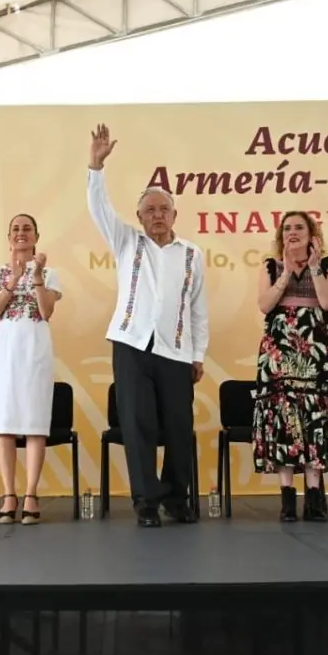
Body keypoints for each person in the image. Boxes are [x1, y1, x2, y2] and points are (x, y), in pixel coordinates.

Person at [87, 123, 208, 527]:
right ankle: (145, 503)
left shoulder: (192, 254)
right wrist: (96, 168)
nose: (157, 215)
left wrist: (198, 354)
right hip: (131, 346)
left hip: (176, 350)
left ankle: (177, 499)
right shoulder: (126, 242)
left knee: (178, 427)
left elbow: (197, 309)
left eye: (164, 209)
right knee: (137, 426)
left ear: (175, 215)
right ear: (139, 216)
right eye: (149, 210)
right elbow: (99, 208)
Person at [253, 211, 328, 522]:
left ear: (311, 233)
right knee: (283, 416)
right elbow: (265, 305)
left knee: (315, 416)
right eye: (287, 228)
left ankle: (315, 497)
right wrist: (285, 272)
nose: (293, 232)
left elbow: (326, 301)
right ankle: (287, 498)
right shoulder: (269, 265)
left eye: (299, 228)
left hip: (315, 346)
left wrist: (314, 266)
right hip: (279, 346)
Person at [0, 214, 62, 525]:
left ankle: (31, 493)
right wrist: (13, 282)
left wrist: (37, 275)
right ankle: (8, 494)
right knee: (4, 422)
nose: (21, 233)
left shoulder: (50, 273)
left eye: (27, 229)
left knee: (34, 421)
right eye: (15, 229)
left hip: (35, 348)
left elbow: (46, 311)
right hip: (5, 351)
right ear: (8, 236)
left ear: (36, 235)